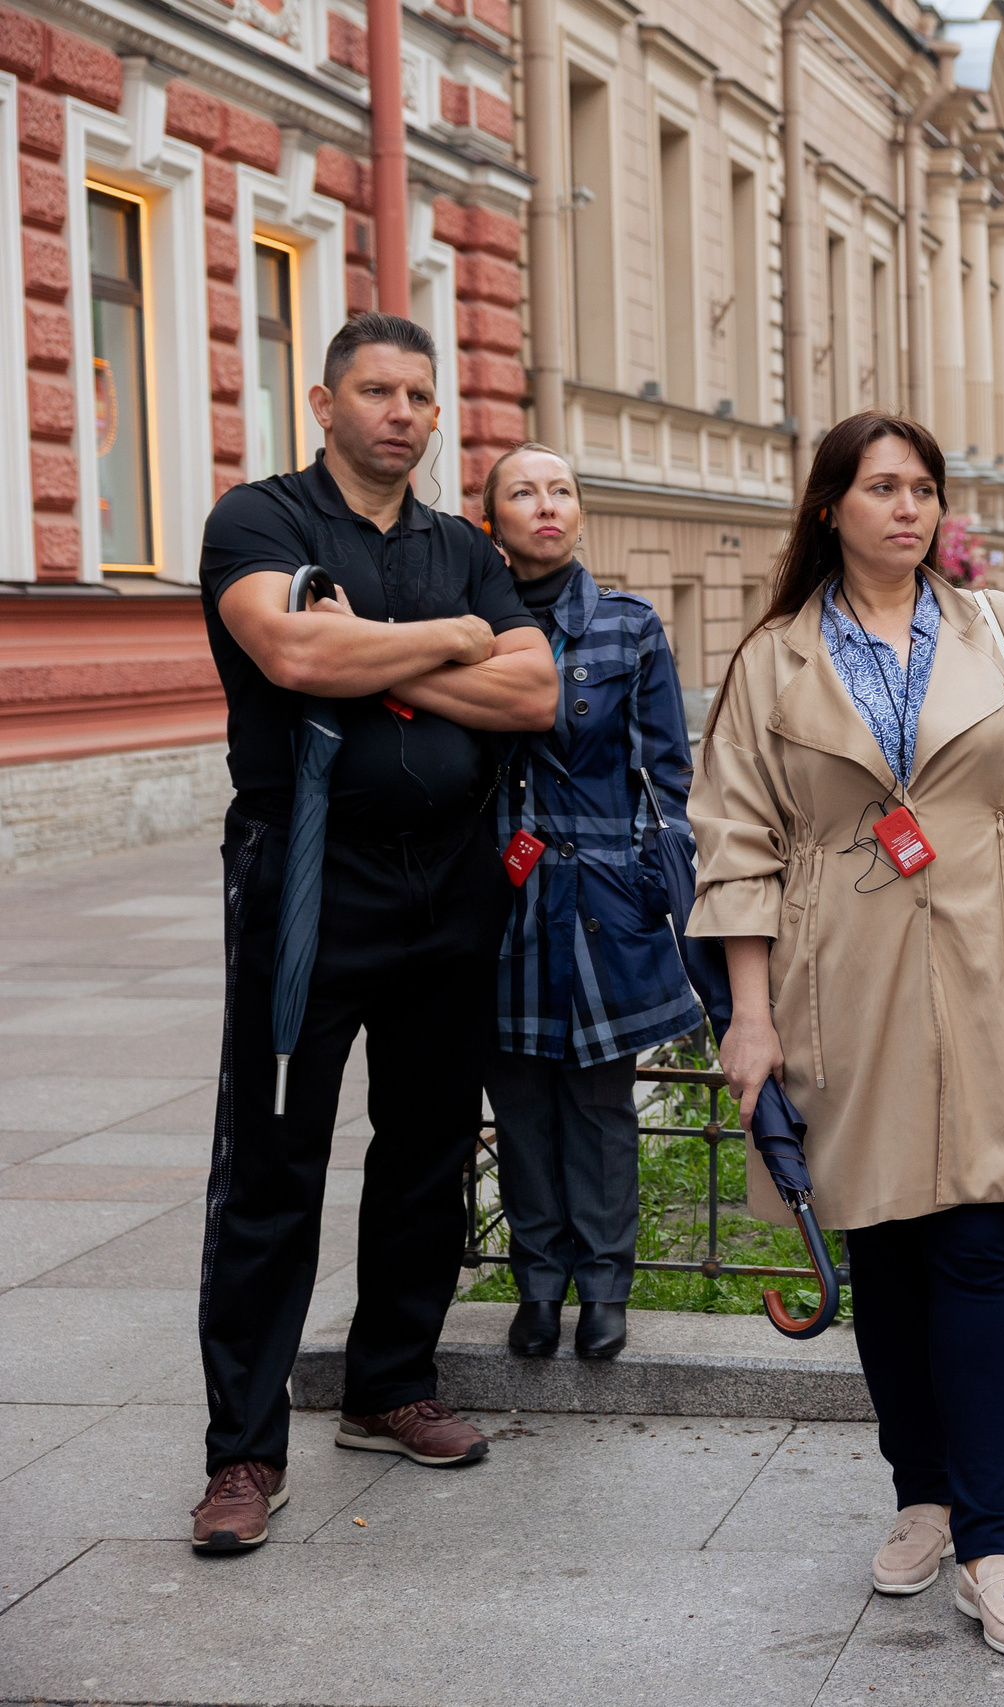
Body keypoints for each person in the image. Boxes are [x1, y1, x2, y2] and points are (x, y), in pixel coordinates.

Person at [689, 411, 1004, 1661]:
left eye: (923, 489)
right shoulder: (771, 660)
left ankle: (994, 1543)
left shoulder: (1003, 633)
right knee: (884, 1258)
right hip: (848, 979)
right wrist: (753, 1020)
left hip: (1000, 965)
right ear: (829, 504)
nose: (907, 509)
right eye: (881, 487)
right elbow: (734, 849)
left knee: (984, 1249)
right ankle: (920, 1499)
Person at [188, 314, 559, 1553]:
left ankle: (390, 1385)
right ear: (323, 400)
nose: (402, 412)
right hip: (307, 879)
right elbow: (289, 644)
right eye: (377, 391)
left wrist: (384, 661)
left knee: (427, 1144)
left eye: (420, 394)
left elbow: (535, 690)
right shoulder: (261, 520)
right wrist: (454, 638)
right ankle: (243, 1454)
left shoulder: (462, 542)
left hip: (451, 883)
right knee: (275, 1165)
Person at [481, 444, 699, 1364]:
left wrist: (658, 869)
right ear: (492, 519)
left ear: (580, 514)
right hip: (505, 897)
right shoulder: (464, 624)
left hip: (605, 901)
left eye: (561, 491)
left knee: (603, 1107)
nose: (546, 506)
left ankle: (606, 1285)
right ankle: (537, 1284)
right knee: (520, 1099)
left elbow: (670, 774)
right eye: (523, 492)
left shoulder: (628, 625)